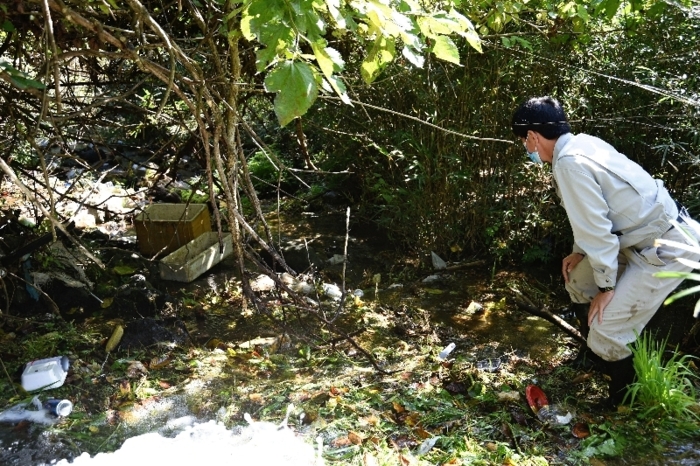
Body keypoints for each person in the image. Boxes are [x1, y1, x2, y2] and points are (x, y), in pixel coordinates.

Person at [511, 96, 700, 406]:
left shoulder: (569, 163)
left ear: (532, 136)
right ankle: (594, 356)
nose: (526, 149)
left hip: (666, 247)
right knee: (576, 277)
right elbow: (593, 216)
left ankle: (623, 401)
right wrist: (579, 252)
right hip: (639, 240)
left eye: (523, 141)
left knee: (606, 331)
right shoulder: (580, 145)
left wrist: (606, 287)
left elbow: (598, 233)